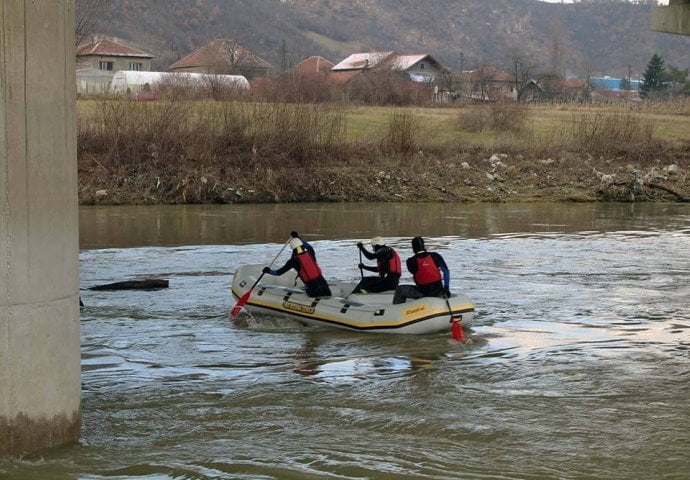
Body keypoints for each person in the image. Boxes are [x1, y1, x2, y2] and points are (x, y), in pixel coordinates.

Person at [263, 236, 332, 297]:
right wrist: (297, 237)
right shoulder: (311, 253)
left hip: (313, 292)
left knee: (307, 287)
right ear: (302, 245)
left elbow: (278, 273)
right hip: (326, 289)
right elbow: (308, 246)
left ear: (292, 249)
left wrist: (268, 271)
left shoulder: (292, 261)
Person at [393, 236, 451, 304]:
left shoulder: (410, 261)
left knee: (400, 290)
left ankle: (398, 309)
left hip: (423, 293)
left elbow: (414, 273)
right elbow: (446, 271)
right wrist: (446, 287)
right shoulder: (435, 256)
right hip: (438, 291)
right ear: (424, 246)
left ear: (413, 248)